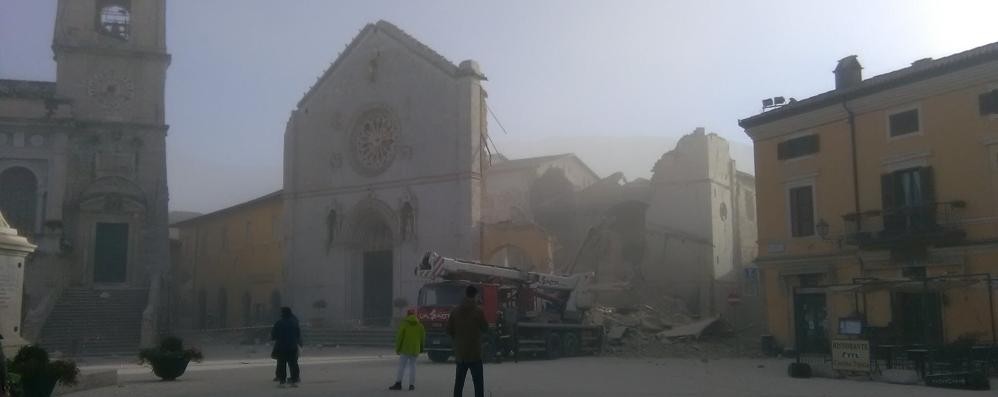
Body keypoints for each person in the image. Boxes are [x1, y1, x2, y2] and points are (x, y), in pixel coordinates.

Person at [447, 285, 488, 397]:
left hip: (461, 354)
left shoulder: (455, 311)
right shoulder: (478, 311)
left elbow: (449, 330)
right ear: (475, 296)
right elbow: (485, 328)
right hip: (475, 353)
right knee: (478, 384)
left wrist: (458, 339)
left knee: (459, 384)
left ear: (465, 294)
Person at [389, 308, 425, 391]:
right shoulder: (420, 325)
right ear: (415, 315)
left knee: (401, 366)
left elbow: (399, 337)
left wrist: (398, 348)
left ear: (407, 315)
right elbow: (422, 338)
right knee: (413, 367)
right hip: (415, 349)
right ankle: (411, 385)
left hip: (405, 348)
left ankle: (398, 383)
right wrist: (421, 348)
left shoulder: (404, 324)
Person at [271, 306, 302, 388]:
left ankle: (282, 381)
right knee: (293, 363)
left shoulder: (279, 323)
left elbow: (273, 335)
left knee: (281, 364)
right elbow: (298, 334)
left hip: (281, 347)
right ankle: (294, 380)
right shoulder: (294, 322)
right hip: (292, 346)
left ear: (282, 314)